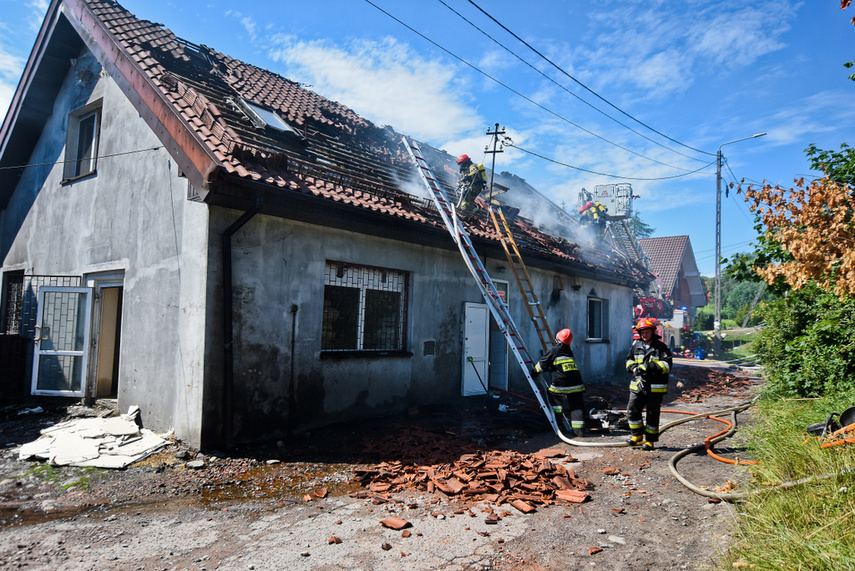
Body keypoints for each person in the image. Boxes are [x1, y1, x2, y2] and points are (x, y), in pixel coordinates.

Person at [625, 318, 673, 450]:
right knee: (632, 409)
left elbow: (667, 365)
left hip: (655, 388)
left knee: (652, 414)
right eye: (642, 333)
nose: (644, 335)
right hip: (638, 385)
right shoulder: (636, 345)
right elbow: (628, 359)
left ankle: (650, 441)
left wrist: (649, 367)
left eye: (647, 332)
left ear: (652, 332)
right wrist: (634, 367)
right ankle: (637, 435)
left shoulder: (661, 347)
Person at [530, 328, 586, 437]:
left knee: (553, 395)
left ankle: (557, 422)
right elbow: (561, 366)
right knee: (577, 406)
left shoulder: (553, 350)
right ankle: (579, 432)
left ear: (558, 340)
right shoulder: (569, 351)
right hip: (577, 384)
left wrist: (533, 373)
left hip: (561, 384)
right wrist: (552, 368)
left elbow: (541, 366)